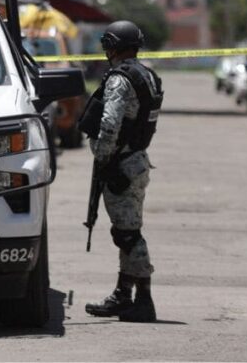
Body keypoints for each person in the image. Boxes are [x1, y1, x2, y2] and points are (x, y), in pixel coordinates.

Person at [83, 20, 164, 323]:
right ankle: (123, 295)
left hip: (121, 164)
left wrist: (104, 157)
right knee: (126, 229)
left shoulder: (120, 79)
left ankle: (143, 300)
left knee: (129, 235)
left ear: (113, 46)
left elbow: (110, 123)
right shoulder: (146, 74)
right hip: (136, 160)